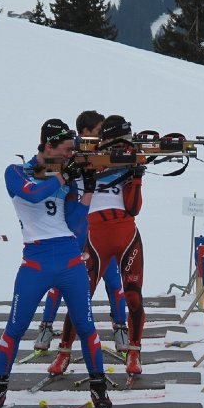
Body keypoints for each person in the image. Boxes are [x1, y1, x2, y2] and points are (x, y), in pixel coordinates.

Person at [0, 118, 111, 408]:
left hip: (68, 258)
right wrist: (64, 176)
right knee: (15, 328)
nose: (70, 154)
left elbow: (75, 222)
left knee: (86, 327)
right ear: (49, 145)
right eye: (66, 149)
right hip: (36, 260)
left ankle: (99, 389)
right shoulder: (16, 172)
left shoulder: (64, 175)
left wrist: (87, 191)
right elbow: (32, 194)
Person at [48, 115, 146, 376]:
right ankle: (64, 351)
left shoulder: (127, 160)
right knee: (80, 296)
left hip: (126, 233)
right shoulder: (83, 156)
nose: (123, 145)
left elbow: (134, 208)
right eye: (119, 140)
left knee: (133, 295)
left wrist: (136, 177)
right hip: (94, 236)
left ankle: (134, 352)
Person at [34, 110, 128, 352]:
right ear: (85, 133)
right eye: (98, 132)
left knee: (113, 279)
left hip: (101, 230)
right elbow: (41, 168)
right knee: (60, 280)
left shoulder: (108, 153)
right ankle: (46, 326)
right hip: (76, 230)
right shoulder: (70, 153)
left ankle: (120, 326)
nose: (102, 136)